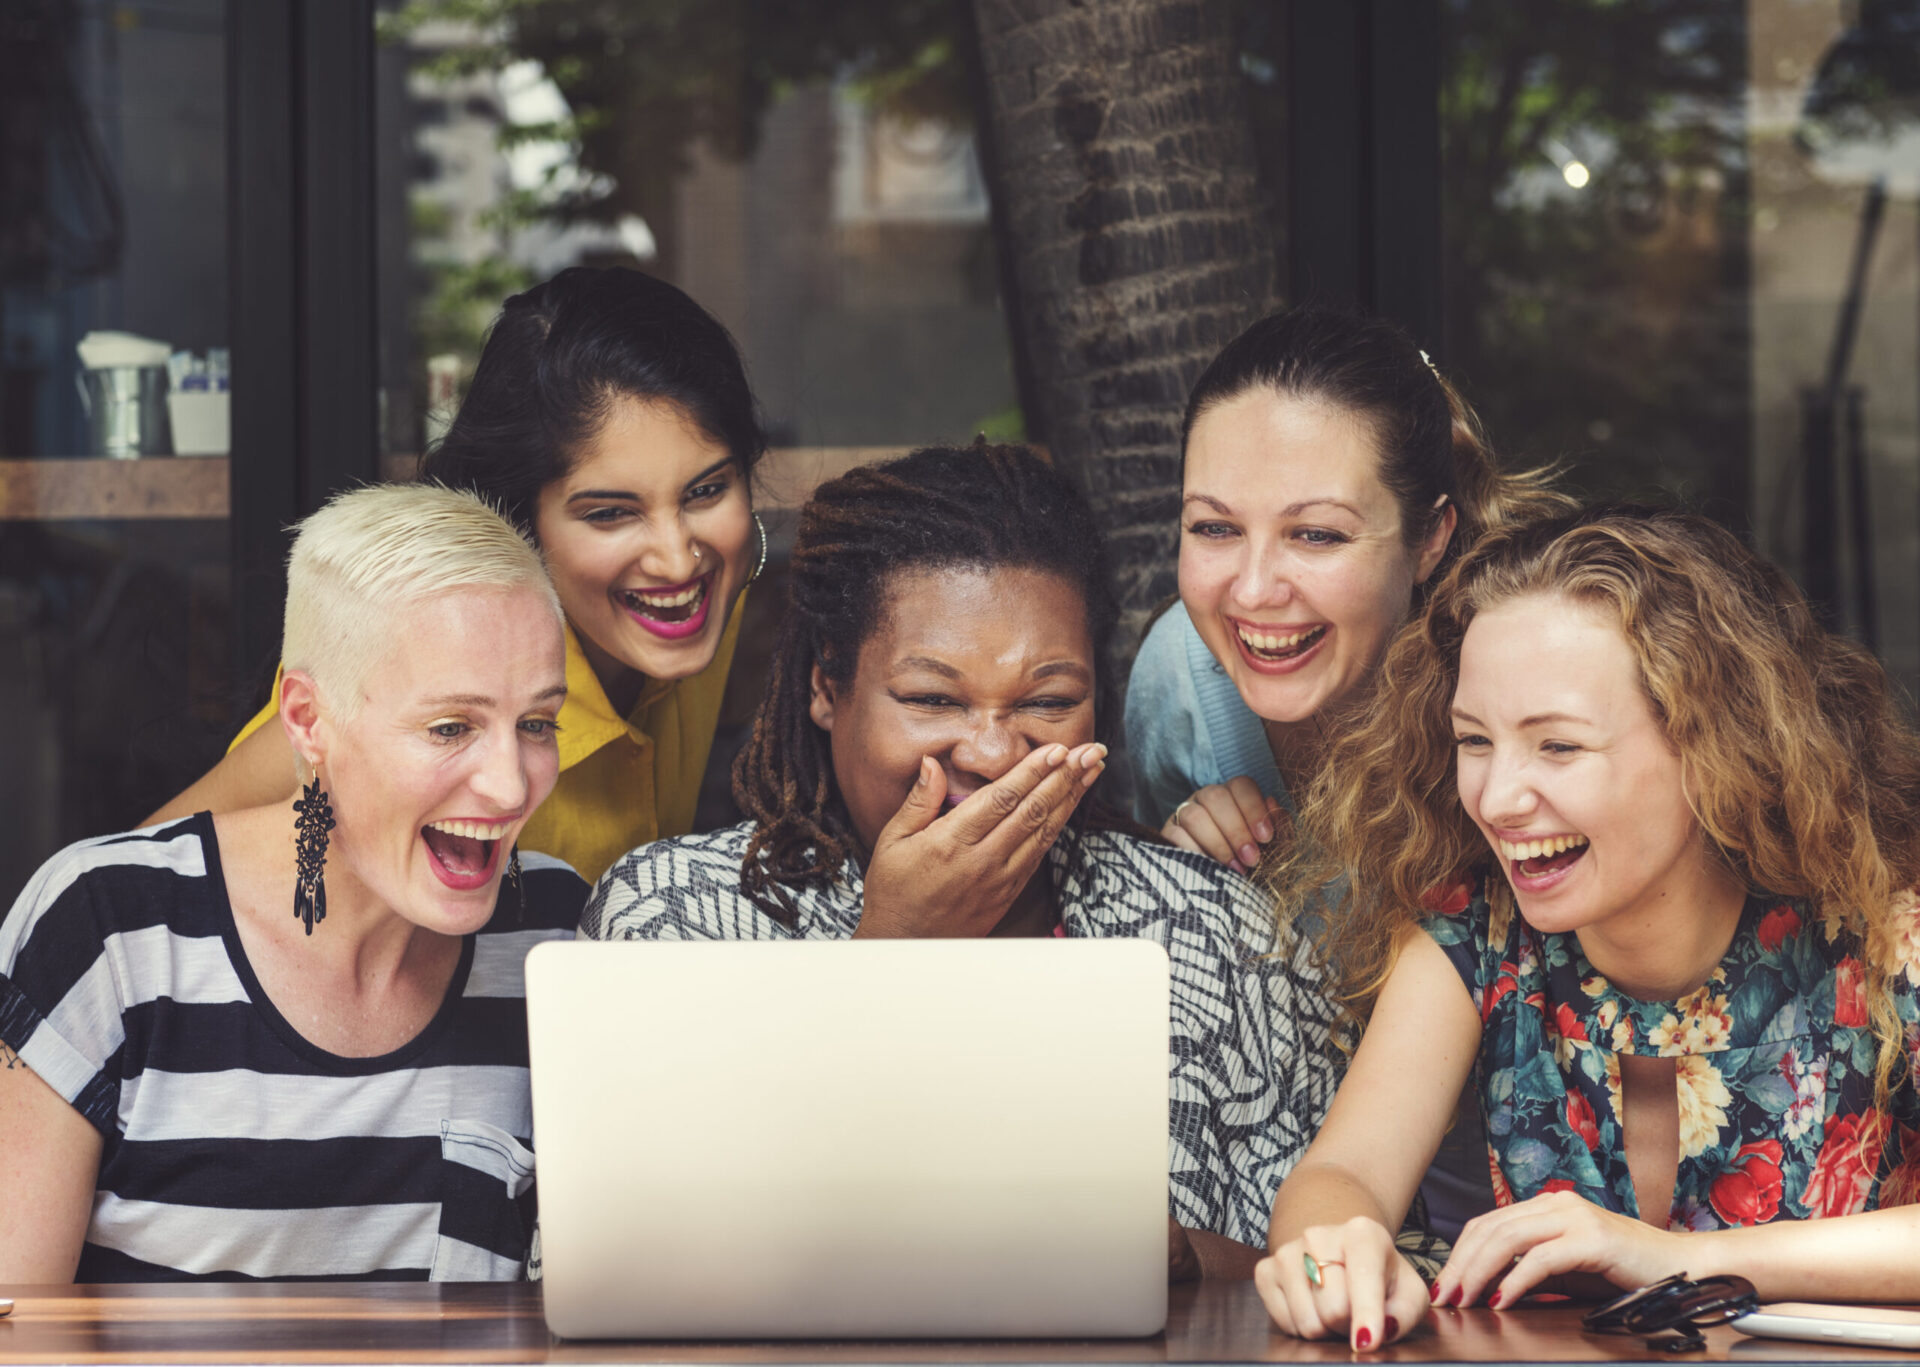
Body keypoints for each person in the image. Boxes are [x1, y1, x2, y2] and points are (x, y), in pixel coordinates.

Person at [581, 444, 1346, 1278]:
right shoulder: (671, 924)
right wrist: (897, 954)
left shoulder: (1223, 935)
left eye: (1050, 701)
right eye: (932, 699)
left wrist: (1175, 1258)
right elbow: (612, 1271)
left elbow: (1346, 1269)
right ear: (826, 686)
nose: (990, 751)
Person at [1253, 506, 1920, 1351]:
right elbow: (1340, 1174)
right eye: (1474, 740)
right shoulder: (1475, 931)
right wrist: (1334, 1251)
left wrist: (1675, 1258)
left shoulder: (1882, 924)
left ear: (1713, 744)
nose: (1496, 799)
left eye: (1558, 746)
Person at [0, 484, 588, 1281]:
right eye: (451, 726)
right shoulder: (107, 931)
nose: (512, 786)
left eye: (537, 724)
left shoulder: (556, 938)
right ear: (307, 720)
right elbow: (11, 1329)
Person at [147, 267, 766, 882]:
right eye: (610, 513)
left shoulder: (707, 604)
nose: (678, 558)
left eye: (706, 491)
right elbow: (143, 878)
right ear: (522, 519)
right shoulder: (411, 643)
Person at [1126, 304, 1566, 870]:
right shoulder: (1177, 674)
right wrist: (1182, 875)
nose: (1255, 590)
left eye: (1316, 535)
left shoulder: (1524, 688)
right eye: (1215, 527)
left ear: (1429, 538)